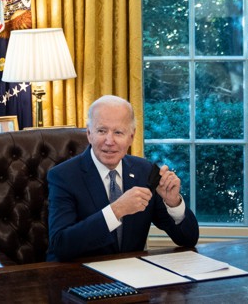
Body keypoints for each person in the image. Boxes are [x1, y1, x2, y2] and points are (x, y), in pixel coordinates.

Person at [46, 95, 199, 262]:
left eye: (118, 132)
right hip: (79, 277)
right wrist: (116, 210)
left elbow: (188, 240)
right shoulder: (63, 176)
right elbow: (60, 245)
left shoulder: (145, 171)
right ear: (89, 133)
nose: (109, 141)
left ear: (131, 137)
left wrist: (173, 203)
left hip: (131, 276)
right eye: (102, 131)